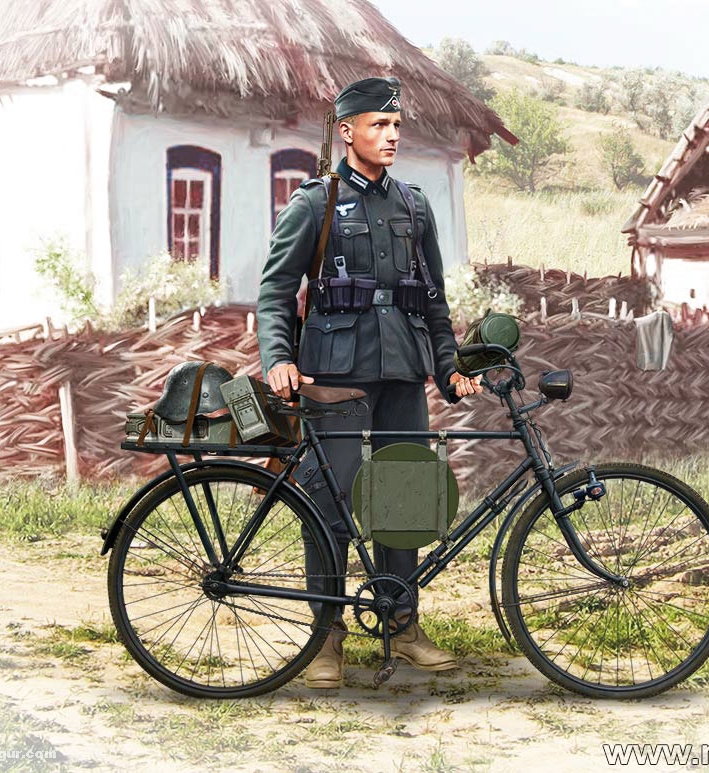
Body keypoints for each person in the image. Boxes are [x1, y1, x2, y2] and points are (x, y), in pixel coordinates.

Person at [256, 76, 482, 689]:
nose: (391, 135)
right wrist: (278, 357)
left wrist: (449, 366)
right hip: (333, 375)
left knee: (404, 498)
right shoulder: (314, 204)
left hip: (403, 372)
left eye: (397, 125)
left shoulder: (414, 205)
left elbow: (432, 298)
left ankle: (402, 627)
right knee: (328, 504)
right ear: (346, 129)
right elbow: (276, 292)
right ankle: (325, 639)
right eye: (378, 125)